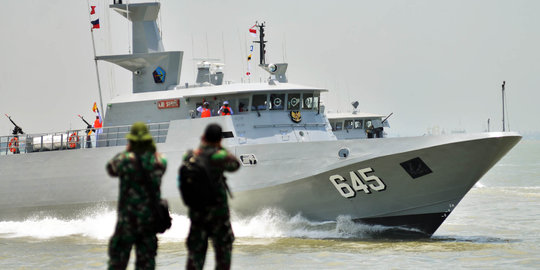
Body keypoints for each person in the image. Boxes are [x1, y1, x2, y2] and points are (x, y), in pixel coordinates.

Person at [106, 122, 167, 270]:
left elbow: (110, 169)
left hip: (127, 221)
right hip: (148, 221)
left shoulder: (124, 159)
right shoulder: (159, 161)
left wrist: (128, 150)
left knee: (117, 263)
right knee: (146, 265)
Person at [181, 123, 240, 270]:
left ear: (203, 137)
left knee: (195, 257)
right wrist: (219, 147)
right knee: (223, 257)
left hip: (197, 214)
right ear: (219, 140)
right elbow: (235, 164)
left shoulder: (190, 156)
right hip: (218, 214)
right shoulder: (219, 156)